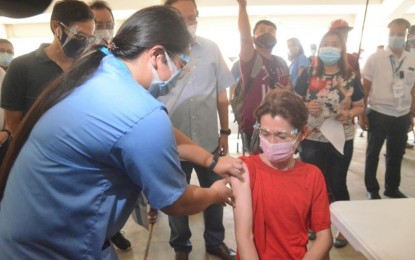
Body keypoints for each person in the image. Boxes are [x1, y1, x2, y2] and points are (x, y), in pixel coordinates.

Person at [0, 5, 244, 259]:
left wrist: (211, 161)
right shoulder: (139, 112)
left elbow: (160, 133)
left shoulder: (103, 69)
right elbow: (175, 200)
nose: (181, 74)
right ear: (157, 55)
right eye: (182, 64)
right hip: (56, 246)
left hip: (27, 228)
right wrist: (215, 193)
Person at [159, 1, 236, 259]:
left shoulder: (210, 48)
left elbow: (222, 95)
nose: (189, 23)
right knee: (176, 198)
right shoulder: (156, 53)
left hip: (207, 142)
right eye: (182, 18)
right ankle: (181, 246)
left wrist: (225, 131)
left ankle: (215, 242)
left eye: (193, 17)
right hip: (170, 144)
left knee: (216, 195)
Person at [231, 90, 332, 260]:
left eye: (281, 135)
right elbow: (244, 238)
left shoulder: (312, 176)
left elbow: (324, 237)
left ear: (302, 133)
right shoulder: (244, 170)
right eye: (264, 133)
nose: (271, 142)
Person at [295, 30, 364, 248]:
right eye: (325, 43)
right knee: (313, 185)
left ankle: (344, 229)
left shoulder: (351, 76)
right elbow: (294, 102)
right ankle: (313, 223)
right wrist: (305, 106)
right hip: (312, 137)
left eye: (334, 44)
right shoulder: (307, 73)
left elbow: (360, 106)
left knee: (337, 183)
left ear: (342, 49)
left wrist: (349, 114)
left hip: (340, 138)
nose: (329, 48)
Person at [1, 0, 95, 143]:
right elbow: (14, 122)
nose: (84, 43)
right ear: (56, 27)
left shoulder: (87, 68)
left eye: (89, 38)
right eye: (79, 36)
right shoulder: (21, 66)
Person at [89, 0, 133, 251]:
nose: (104, 29)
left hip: (114, 137)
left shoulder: (119, 56)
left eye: (108, 24)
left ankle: (113, 231)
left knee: (111, 195)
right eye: (98, 24)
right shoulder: (77, 59)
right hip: (87, 141)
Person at [359, 18, 415, 200]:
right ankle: (372, 189)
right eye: (393, 34)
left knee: (396, 153)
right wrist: (362, 114)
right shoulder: (376, 58)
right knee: (373, 152)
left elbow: (413, 89)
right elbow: (364, 89)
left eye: (400, 34)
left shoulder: (412, 59)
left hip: (402, 113)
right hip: (378, 112)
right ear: (388, 34)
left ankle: (392, 187)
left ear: (406, 35)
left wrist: (412, 115)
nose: (396, 37)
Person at [236, 0, 291, 153]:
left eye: (271, 31)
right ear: (254, 37)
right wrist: (242, 8)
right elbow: (244, 38)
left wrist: (288, 91)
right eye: (261, 30)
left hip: (281, 123)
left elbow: (289, 88)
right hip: (254, 126)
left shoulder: (281, 62)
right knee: (257, 167)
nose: (267, 33)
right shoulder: (250, 58)